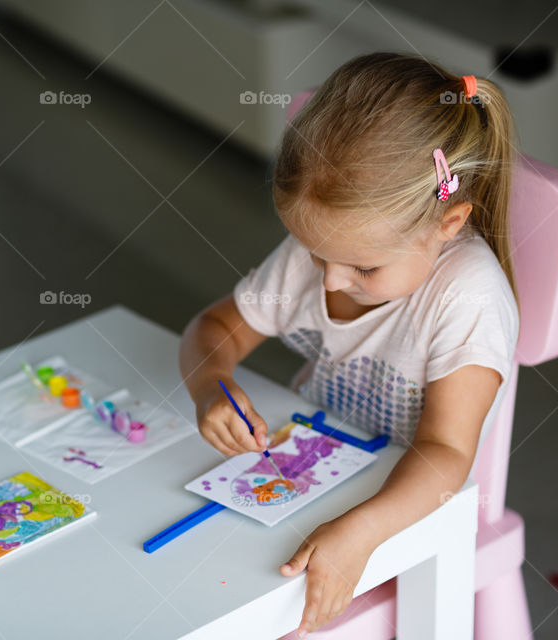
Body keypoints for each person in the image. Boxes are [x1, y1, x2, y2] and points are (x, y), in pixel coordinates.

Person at [178, 51, 521, 636]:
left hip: (410, 507)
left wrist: (359, 531)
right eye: (316, 255)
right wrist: (212, 385)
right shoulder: (331, 251)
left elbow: (444, 455)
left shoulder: (470, 298)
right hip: (313, 475)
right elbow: (212, 330)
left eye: (362, 268)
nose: (330, 280)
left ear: (448, 222)